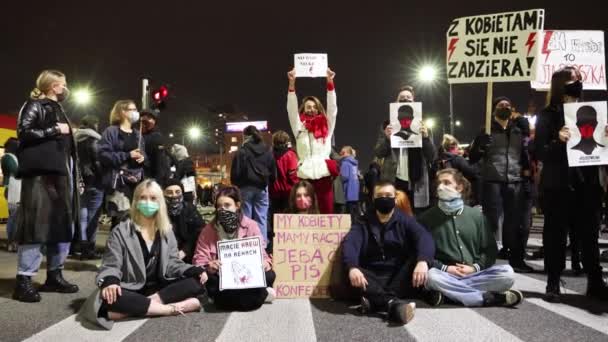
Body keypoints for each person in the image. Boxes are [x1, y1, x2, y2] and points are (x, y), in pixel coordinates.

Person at [79, 180, 207, 330]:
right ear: (135, 201)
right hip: (130, 287)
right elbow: (111, 264)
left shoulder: (166, 231)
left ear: (160, 202)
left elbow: (172, 263)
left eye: (153, 198)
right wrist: (110, 281)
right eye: (143, 198)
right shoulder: (121, 231)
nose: (148, 202)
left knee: (196, 282)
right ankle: (169, 309)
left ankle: (139, 307)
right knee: (108, 295)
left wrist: (192, 269)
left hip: (158, 288)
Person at [534, 66, 608, 302]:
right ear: (559, 85)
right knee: (556, 236)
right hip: (559, 185)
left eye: (579, 79)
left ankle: (595, 282)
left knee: (589, 235)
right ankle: (553, 283)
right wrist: (558, 139)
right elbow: (540, 152)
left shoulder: (590, 112)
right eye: (572, 80)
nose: (577, 84)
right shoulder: (547, 115)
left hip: (587, 184)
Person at [12, 70, 80, 302]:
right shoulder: (34, 104)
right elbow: (23, 131)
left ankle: (54, 275)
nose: (66, 88)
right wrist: (55, 130)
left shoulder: (58, 108)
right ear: (52, 86)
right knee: (36, 227)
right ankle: (24, 281)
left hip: (60, 174)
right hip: (41, 175)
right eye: (63, 84)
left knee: (60, 226)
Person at [419, 169, 523, 307]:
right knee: (431, 277)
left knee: (507, 274)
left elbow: (490, 251)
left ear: (460, 187)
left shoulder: (477, 216)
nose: (440, 187)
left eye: (446, 183)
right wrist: (445, 268)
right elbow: (424, 252)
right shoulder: (426, 218)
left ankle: (450, 295)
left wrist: (474, 268)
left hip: (474, 273)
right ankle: (487, 298)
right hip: (444, 273)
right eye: (438, 183)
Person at [342, 180, 435, 324]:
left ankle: (375, 302)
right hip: (371, 275)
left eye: (388, 195)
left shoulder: (405, 220)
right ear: (373, 198)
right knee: (349, 269)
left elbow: (424, 237)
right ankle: (393, 304)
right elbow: (350, 243)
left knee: (415, 258)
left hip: (398, 275)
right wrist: (352, 267)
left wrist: (423, 261)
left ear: (394, 197)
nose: (384, 198)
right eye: (380, 195)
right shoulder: (362, 222)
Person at [469, 96, 533, 273]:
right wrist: (480, 145)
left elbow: (525, 155)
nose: (505, 107)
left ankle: (516, 259)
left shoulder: (517, 130)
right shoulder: (486, 130)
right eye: (501, 105)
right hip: (492, 181)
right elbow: (473, 157)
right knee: (491, 223)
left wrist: (526, 177)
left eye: (508, 105)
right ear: (494, 109)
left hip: (514, 180)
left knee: (515, 223)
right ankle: (484, 260)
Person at [192, 185, 275, 311]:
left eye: (227, 205)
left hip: (247, 276)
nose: (222, 209)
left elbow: (263, 255)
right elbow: (198, 260)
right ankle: (260, 295)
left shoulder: (251, 225)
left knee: (269, 275)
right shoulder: (208, 230)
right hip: (221, 277)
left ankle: (229, 298)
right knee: (208, 280)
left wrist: (265, 263)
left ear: (237, 205)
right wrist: (210, 266)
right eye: (219, 206)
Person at [374, 86, 436, 213]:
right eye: (401, 98)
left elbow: (432, 156)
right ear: (396, 103)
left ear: (414, 102)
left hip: (416, 180)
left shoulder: (423, 126)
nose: (405, 100)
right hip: (394, 178)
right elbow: (379, 153)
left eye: (408, 97)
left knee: (416, 215)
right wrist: (387, 138)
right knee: (395, 215)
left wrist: (425, 138)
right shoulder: (387, 126)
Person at [287, 67, 338, 214]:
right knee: (306, 215)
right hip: (304, 177)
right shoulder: (299, 127)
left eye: (315, 107)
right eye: (308, 107)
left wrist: (330, 83)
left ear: (319, 109)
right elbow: (291, 109)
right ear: (303, 110)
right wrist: (291, 84)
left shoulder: (327, 126)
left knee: (326, 213)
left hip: (324, 177)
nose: (311, 109)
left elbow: (333, 109)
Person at [98, 100, 146, 226]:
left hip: (136, 181)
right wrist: (127, 155)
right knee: (121, 219)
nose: (136, 113)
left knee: (135, 220)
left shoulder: (137, 134)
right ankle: (116, 245)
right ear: (122, 112)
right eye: (133, 109)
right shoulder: (111, 131)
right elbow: (103, 155)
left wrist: (143, 158)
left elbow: (143, 153)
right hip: (119, 182)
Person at [230, 125, 276, 243]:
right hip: (262, 188)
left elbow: (235, 172)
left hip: (245, 188)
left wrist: (237, 184)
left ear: (245, 136)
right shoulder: (267, 149)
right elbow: (273, 170)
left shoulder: (242, 150)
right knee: (261, 217)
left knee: (246, 219)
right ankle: (262, 246)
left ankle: (248, 246)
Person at [75, 115, 104, 259]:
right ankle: (89, 249)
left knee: (82, 217)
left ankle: (81, 246)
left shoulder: (74, 140)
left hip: (79, 182)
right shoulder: (94, 140)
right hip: (95, 181)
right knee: (93, 217)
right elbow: (97, 162)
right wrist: (103, 177)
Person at [164, 178, 205, 263]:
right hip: (165, 257)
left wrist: (185, 251)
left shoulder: (190, 209)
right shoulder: (160, 212)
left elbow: (198, 232)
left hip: (189, 256)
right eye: (169, 192)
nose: (174, 195)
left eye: (177, 192)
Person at [436, 134, 480, 203]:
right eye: (457, 147)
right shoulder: (458, 159)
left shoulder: (440, 159)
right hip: (458, 193)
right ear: (454, 147)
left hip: (444, 193)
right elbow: (472, 172)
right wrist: (477, 163)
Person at [269, 130, 299, 214]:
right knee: (288, 219)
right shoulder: (290, 154)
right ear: (286, 141)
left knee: (275, 219)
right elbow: (293, 174)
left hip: (273, 192)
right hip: (288, 192)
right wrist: (297, 186)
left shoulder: (270, 155)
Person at [141, 109, 171, 185]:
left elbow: (159, 162)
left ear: (154, 122)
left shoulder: (156, 137)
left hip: (150, 178)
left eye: (149, 118)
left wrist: (157, 182)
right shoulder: (138, 135)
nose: (145, 121)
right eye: (142, 119)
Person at [2, 137, 20, 252]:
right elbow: (16, 171)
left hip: (15, 189)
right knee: (14, 217)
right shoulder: (8, 158)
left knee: (15, 217)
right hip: (13, 189)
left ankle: (14, 241)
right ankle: (11, 241)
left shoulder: (13, 157)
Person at [340, 146, 360, 222]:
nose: (340, 154)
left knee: (348, 215)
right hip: (355, 192)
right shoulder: (354, 164)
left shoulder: (345, 163)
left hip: (348, 191)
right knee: (355, 213)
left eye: (343, 152)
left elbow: (345, 177)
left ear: (348, 153)